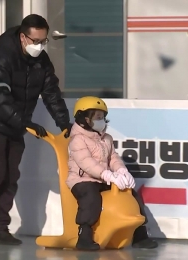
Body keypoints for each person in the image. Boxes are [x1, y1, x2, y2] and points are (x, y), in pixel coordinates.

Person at [0, 14, 73, 245]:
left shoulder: (42, 62)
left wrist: (64, 123)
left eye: (43, 41)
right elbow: (0, 97)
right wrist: (25, 123)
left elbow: (51, 94)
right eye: (35, 41)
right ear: (22, 37)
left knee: (11, 176)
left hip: (18, 122)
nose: (39, 46)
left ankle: (0, 230)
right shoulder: (1, 57)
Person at [66, 96, 158, 250]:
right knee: (91, 198)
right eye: (97, 117)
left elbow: (113, 157)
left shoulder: (106, 138)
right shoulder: (77, 139)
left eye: (102, 117)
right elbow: (86, 162)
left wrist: (121, 170)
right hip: (81, 180)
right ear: (84, 118)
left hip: (103, 180)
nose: (101, 121)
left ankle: (140, 236)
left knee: (131, 194)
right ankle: (84, 236)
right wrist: (105, 174)